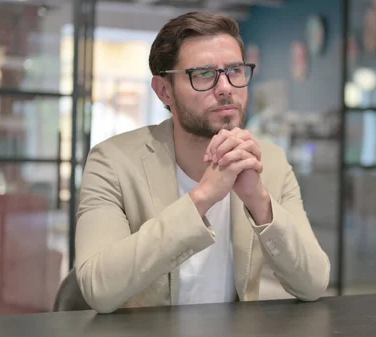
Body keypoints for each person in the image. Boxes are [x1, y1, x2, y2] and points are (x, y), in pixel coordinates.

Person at [75, 11, 330, 314]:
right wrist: (202, 197)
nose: (225, 87)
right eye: (204, 74)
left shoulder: (269, 162)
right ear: (164, 90)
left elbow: (313, 283)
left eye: (235, 70)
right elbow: (98, 289)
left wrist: (258, 200)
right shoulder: (112, 162)